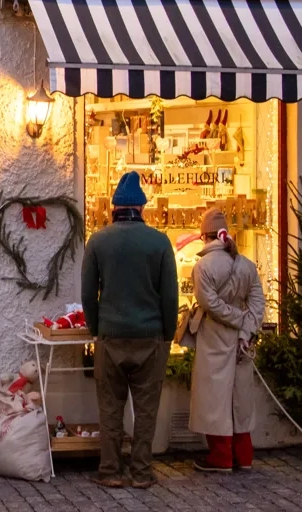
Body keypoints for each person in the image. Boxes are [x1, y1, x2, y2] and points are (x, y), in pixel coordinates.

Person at [81, 171, 178, 489]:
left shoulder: (98, 241)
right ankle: (141, 471)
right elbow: (170, 295)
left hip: (110, 335)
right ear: (141, 209)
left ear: (114, 209)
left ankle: (109, 470)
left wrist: (97, 328)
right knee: (146, 409)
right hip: (150, 336)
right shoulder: (160, 242)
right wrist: (167, 335)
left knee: (110, 407)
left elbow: (88, 293)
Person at [189, 209, 265, 472]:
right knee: (239, 397)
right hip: (241, 341)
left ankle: (220, 456)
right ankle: (243, 456)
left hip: (214, 338)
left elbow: (208, 303)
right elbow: (257, 304)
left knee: (214, 398)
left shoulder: (203, 266)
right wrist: (246, 328)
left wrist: (236, 318)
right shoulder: (247, 265)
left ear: (204, 235)